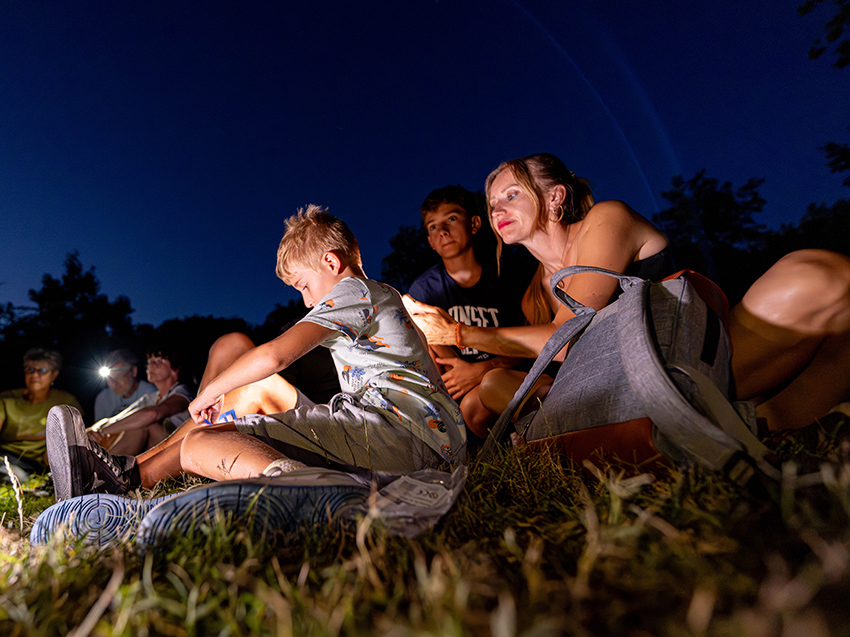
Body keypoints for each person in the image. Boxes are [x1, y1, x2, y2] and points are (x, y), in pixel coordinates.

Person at [45, 205, 466, 503]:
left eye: (303, 285)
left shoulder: (356, 291)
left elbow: (274, 356)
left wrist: (208, 394)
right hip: (388, 428)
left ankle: (310, 490)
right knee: (204, 440)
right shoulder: (366, 299)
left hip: (409, 437)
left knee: (206, 435)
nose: (305, 301)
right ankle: (120, 477)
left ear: (332, 262)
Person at [404, 152, 850, 433]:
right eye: (492, 203)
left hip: (693, 360)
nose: (498, 208)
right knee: (498, 383)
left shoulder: (605, 221)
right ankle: (757, 424)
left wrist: (458, 333)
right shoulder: (532, 294)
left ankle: (760, 419)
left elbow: (568, 335)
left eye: (512, 194)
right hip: (618, 393)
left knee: (814, 273)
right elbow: (558, 364)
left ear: (556, 197)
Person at [408, 185, 533, 437]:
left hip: (512, 371)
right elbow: (431, 350)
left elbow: (533, 341)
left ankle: (533, 432)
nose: (442, 231)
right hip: (460, 385)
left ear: (474, 224)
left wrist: (482, 370)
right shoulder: (424, 291)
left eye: (451, 219)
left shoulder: (509, 275)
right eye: (433, 227)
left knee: (482, 397)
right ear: (430, 241)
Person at [87, 348, 193, 456]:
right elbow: (118, 419)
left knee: (143, 425)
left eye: (158, 361)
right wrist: (92, 431)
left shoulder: (182, 392)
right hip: (158, 451)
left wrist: (103, 431)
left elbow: (152, 414)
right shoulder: (150, 398)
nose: (150, 366)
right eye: (149, 362)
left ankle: (103, 469)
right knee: (130, 424)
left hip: (179, 452)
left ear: (175, 369)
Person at [0, 348, 82, 474]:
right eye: (30, 370)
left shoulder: (65, 402)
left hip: (37, 464)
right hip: (5, 456)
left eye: (42, 370)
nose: (34, 375)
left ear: (54, 375)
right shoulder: (6, 399)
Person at [93, 349, 157, 422]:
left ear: (133, 371)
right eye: (109, 379)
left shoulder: (151, 393)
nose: (114, 383)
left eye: (119, 377)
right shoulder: (103, 398)